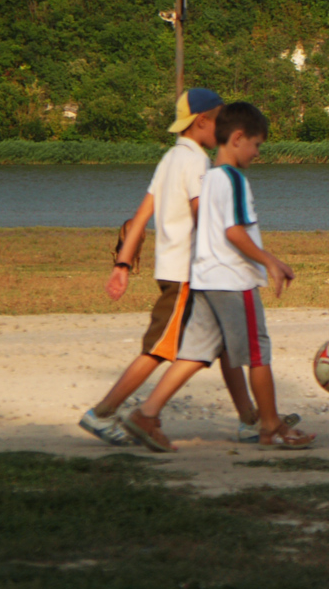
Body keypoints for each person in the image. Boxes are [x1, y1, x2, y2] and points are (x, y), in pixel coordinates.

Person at [122, 100, 315, 452]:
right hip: (232, 280)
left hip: (205, 280)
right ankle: (270, 425)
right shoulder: (235, 180)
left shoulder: (208, 176)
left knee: (194, 354)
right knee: (258, 354)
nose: (257, 153)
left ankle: (146, 414)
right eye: (257, 145)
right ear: (238, 138)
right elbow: (234, 231)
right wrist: (271, 261)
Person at [78, 88, 262, 445]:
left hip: (175, 271)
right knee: (160, 348)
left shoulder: (170, 159)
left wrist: (122, 263)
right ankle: (102, 414)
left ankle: (250, 419)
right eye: (221, 120)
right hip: (185, 275)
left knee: (223, 343)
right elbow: (204, 215)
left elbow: (141, 215)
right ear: (202, 122)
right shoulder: (195, 163)